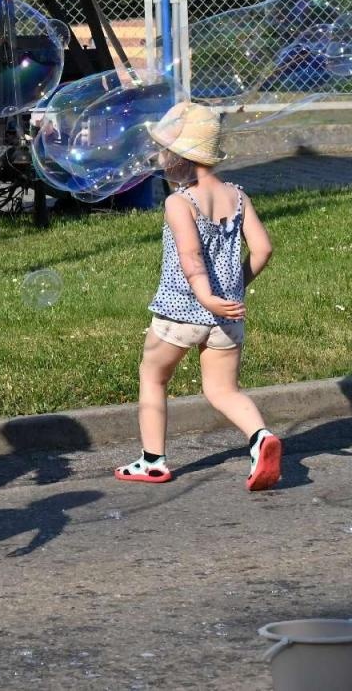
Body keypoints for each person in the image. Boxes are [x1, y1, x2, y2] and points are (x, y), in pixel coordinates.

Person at [112, 101, 281, 492]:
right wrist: (233, 288)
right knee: (223, 391)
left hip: (181, 311)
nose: (159, 158)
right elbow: (263, 250)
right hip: (228, 318)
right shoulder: (238, 196)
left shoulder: (178, 202)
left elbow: (190, 258)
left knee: (153, 375)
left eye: (163, 151)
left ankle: (152, 462)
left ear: (179, 157)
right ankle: (260, 437)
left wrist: (205, 296)